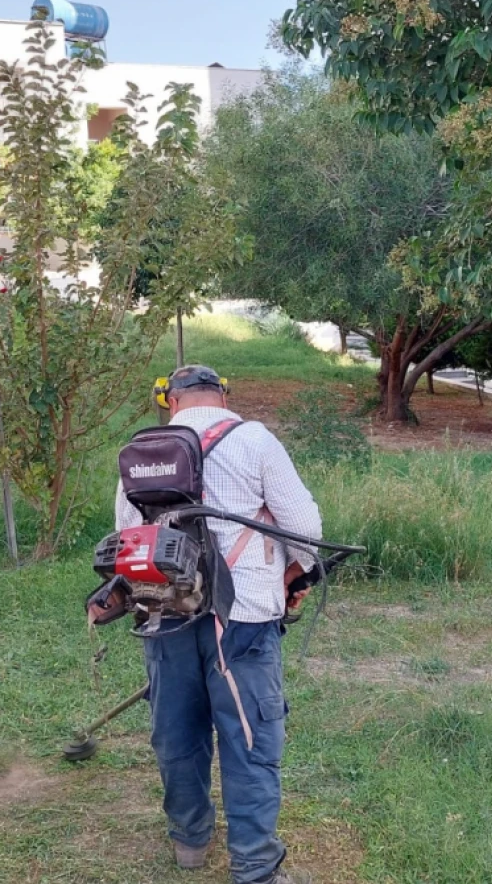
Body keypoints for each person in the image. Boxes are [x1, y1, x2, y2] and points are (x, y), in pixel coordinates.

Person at [102, 364, 322, 884]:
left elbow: (125, 534)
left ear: (169, 402)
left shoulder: (141, 453)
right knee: (250, 740)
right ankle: (255, 868)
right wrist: (297, 572)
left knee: (177, 732)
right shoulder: (254, 440)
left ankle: (190, 842)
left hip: (164, 613)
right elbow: (305, 528)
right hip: (243, 618)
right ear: (223, 397)